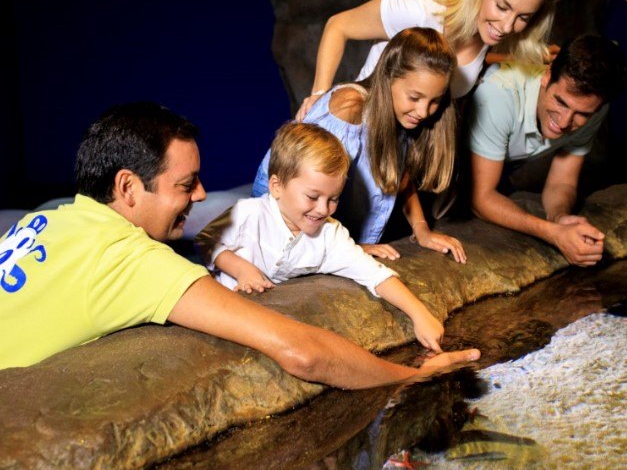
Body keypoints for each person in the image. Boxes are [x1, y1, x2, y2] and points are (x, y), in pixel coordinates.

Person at [0, 103, 480, 385]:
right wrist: (414, 375)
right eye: (187, 185)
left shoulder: (47, 219)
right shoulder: (132, 261)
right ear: (128, 187)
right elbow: (302, 352)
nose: (203, 194)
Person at [197, 122, 445, 352]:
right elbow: (206, 240)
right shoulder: (249, 213)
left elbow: (374, 274)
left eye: (333, 199)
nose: (323, 209)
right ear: (277, 186)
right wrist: (240, 268)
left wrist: (419, 314)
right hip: (222, 307)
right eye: (312, 197)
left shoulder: (329, 234)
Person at [253, 28, 466, 263]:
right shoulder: (349, 108)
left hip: (333, 236)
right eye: (414, 98)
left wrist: (422, 230)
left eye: (435, 101)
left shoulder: (399, 117)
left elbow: (398, 175)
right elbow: (300, 197)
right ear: (388, 78)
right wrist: (346, 249)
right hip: (288, 231)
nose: (424, 112)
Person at [297, 0, 559, 119]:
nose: (507, 27)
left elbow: (450, 65)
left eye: (523, 16)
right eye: (502, 6)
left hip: (402, 157)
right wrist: (318, 96)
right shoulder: (419, 10)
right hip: (357, 129)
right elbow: (338, 25)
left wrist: (515, 58)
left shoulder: (487, 32)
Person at [468, 34, 626, 266]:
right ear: (547, 75)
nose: (564, 123)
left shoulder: (593, 106)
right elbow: (481, 198)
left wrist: (561, 218)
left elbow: (562, 182)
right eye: (561, 102)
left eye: (581, 114)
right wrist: (553, 233)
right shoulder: (498, 93)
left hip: (497, 166)